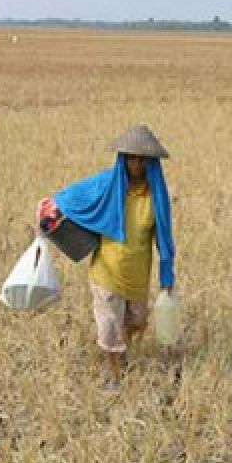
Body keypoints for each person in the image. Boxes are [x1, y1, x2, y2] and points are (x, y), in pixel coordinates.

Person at [37, 124, 178, 392]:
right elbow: (69, 198)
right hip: (107, 271)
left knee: (137, 321)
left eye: (142, 158)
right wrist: (48, 210)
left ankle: (120, 350)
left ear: (151, 162)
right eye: (131, 158)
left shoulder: (156, 196)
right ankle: (114, 373)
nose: (136, 164)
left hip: (137, 273)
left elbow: (164, 236)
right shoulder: (106, 185)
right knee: (110, 324)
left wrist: (167, 275)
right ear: (123, 159)